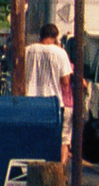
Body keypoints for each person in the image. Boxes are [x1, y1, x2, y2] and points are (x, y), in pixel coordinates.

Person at [19, 23, 75, 157]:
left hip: (30, 101)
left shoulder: (27, 50)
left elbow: (19, 73)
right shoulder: (60, 53)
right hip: (53, 103)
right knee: (53, 140)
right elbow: (65, 81)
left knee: (32, 139)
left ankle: (31, 167)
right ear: (55, 37)